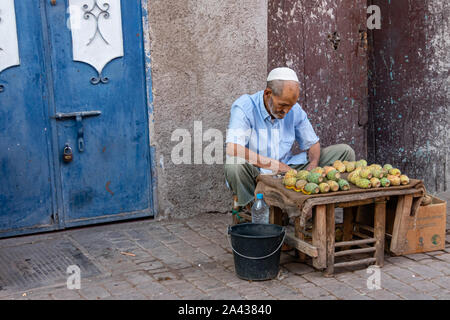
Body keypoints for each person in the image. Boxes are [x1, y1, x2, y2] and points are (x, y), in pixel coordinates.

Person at [224, 67, 356, 210]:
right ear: (268, 93)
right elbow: (233, 149)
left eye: (290, 106)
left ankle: (319, 206)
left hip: (288, 170)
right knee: (234, 164)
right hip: (257, 172)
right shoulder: (244, 106)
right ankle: (254, 208)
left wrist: (313, 164)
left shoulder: (294, 109)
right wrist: (274, 165)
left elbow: (313, 144)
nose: (286, 111)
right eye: (282, 105)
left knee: (345, 152)